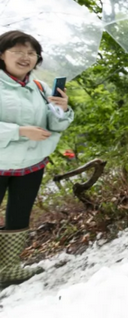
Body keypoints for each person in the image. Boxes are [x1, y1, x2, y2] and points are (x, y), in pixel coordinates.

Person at [0, 30, 73, 286]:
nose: (25, 57)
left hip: (31, 163)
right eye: (18, 51)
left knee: (19, 215)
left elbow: (54, 124)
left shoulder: (40, 87)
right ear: (2, 55)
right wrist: (19, 131)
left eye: (31, 53)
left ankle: (8, 269)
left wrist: (62, 110)